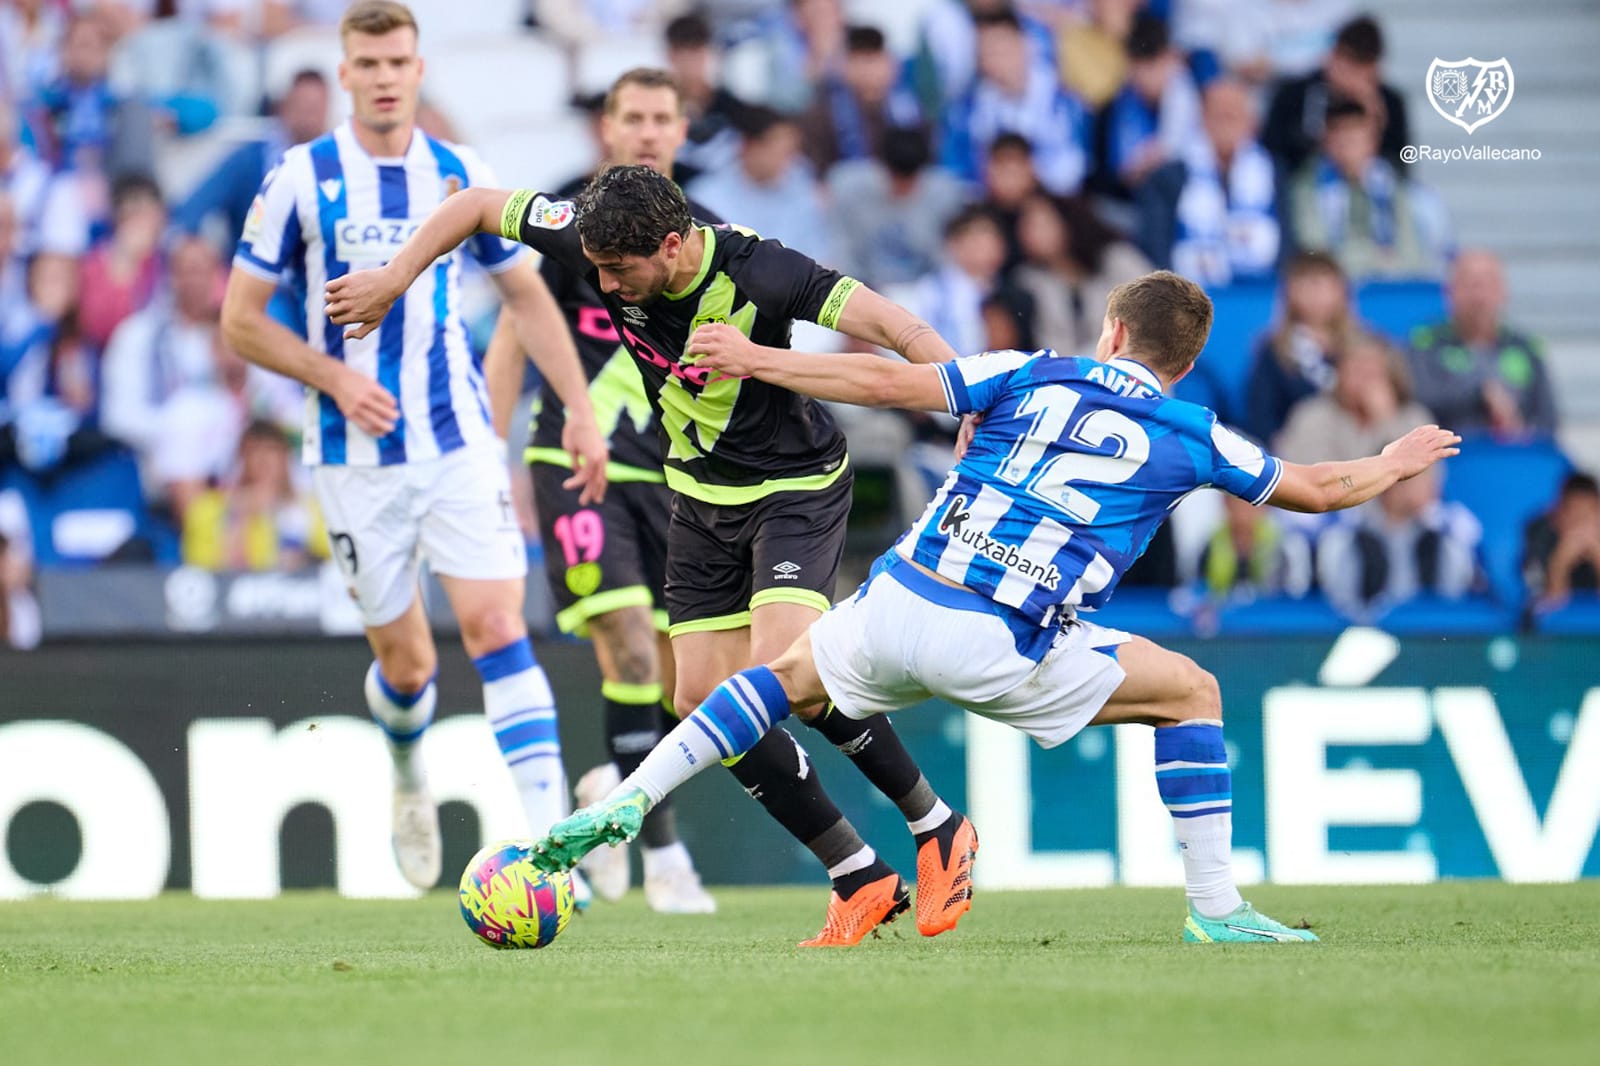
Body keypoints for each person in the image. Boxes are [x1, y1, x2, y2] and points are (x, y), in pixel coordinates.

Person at [529, 270, 1460, 943]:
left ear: (1113, 333)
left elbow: (888, 381)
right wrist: (1393, 460)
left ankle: (630, 798)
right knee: (1191, 694)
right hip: (999, 641)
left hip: (899, 596)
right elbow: (1319, 488)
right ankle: (1216, 909)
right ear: (1183, 359)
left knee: (770, 680)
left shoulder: (1032, 370)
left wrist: (761, 359)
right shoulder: (1193, 433)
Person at [325, 164, 978, 948]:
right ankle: (856, 872)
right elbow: (472, 205)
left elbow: (902, 329)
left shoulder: (766, 271)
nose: (602, 283)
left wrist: (965, 398)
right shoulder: (596, 239)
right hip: (699, 498)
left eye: (617, 271)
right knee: (704, 698)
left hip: (794, 488)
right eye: (595, 266)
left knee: (784, 682)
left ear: (670, 246)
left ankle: (937, 826)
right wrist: (396, 279)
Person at [219, 1, 610, 893]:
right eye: (370, 61)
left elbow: (527, 297)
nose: (387, 75)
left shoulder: (460, 173)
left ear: (420, 70)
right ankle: (407, 769)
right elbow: (239, 323)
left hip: (459, 438)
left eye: (400, 60)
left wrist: (578, 409)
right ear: (346, 74)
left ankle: (554, 854)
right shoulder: (299, 178)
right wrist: (334, 378)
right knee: (409, 665)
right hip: (353, 457)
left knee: (498, 624)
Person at [482, 68, 720, 914]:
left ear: (682, 132)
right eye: (635, 118)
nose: (650, 132)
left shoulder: (707, 242)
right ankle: (664, 855)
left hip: (674, 477)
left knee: (671, 676)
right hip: (573, 460)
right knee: (622, 638)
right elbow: (516, 331)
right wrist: (489, 450)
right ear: (609, 131)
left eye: (664, 118)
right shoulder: (564, 228)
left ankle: (610, 784)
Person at [1406, 250, 1558, 439]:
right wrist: (1481, 395)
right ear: (1449, 292)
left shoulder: (1526, 347)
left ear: (1504, 292)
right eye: (1470, 284)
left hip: (1513, 453)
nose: (1479, 296)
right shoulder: (1424, 344)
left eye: (1488, 284)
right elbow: (1419, 404)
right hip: (1448, 456)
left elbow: (1548, 419)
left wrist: (1517, 427)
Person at [181, 419, 327, 573]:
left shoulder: (312, 508)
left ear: (286, 457)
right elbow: (205, 572)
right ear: (241, 459)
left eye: (272, 450)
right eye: (255, 451)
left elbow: (333, 559)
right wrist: (241, 517)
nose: (264, 461)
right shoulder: (209, 508)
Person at [1522, 473, 1600, 610]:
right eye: (1575, 516)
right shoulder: (1540, 535)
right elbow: (1550, 609)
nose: (1581, 526)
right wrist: (1560, 562)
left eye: (1587, 516)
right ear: (1558, 515)